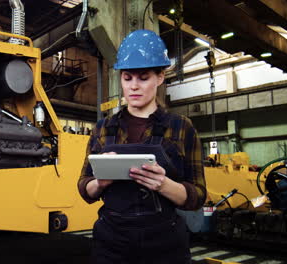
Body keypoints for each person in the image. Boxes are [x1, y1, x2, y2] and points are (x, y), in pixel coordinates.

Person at [78, 29, 206, 264]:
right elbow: (83, 188)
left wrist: (164, 185)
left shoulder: (181, 128)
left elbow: (198, 196)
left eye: (143, 77)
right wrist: (100, 183)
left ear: (160, 77)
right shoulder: (102, 129)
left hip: (164, 245)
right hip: (111, 243)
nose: (134, 86)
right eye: (127, 78)